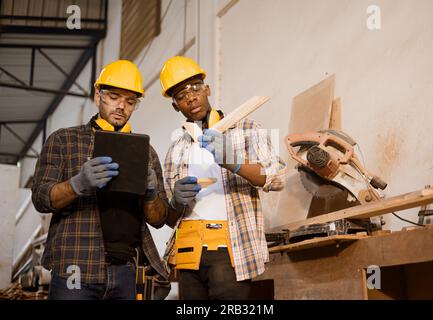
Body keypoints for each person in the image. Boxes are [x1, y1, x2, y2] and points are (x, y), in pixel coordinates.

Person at [32, 60, 170, 300]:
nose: (121, 106)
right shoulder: (64, 141)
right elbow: (41, 198)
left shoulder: (146, 153)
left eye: (130, 102)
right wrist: (78, 184)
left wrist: (151, 194)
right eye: (114, 97)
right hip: (75, 266)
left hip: (126, 270)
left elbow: (158, 219)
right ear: (98, 96)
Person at [159, 56, 286, 300]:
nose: (191, 97)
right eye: (181, 95)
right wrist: (175, 202)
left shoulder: (246, 129)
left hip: (230, 248)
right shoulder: (176, 147)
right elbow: (168, 216)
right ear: (176, 105)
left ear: (207, 89)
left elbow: (277, 178)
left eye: (196, 87)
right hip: (188, 250)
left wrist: (234, 162)